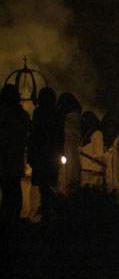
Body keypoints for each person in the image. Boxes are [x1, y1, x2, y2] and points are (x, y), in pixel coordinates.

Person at [27, 87, 62, 222]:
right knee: (48, 187)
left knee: (45, 188)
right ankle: (51, 214)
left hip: (41, 157)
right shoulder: (56, 115)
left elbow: (34, 136)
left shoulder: (39, 113)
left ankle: (49, 214)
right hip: (51, 157)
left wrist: (31, 156)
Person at [0, 84, 30, 222]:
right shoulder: (20, 115)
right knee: (13, 195)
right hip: (11, 160)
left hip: (7, 161)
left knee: (9, 194)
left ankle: (9, 224)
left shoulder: (8, 114)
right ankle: (11, 224)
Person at [56, 93, 82, 195]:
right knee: (71, 177)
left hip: (67, 150)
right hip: (72, 152)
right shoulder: (76, 118)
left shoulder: (68, 119)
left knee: (66, 178)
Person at [80, 111, 105, 188]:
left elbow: (99, 155)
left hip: (93, 175)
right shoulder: (85, 137)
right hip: (84, 173)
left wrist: (97, 173)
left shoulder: (97, 134)